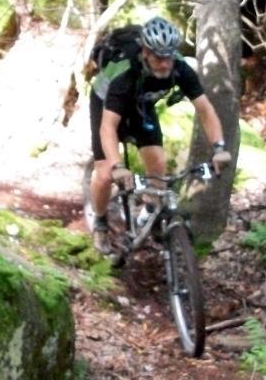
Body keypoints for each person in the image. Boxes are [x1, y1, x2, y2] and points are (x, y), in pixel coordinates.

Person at [88, 16, 232, 254]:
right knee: (104, 174)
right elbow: (108, 127)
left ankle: (148, 216)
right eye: (158, 57)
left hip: (141, 107)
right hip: (106, 105)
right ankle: (100, 222)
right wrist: (117, 166)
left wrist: (219, 148)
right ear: (145, 52)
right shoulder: (126, 74)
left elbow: (205, 110)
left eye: (169, 56)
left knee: (159, 163)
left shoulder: (180, 69)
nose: (165, 64)